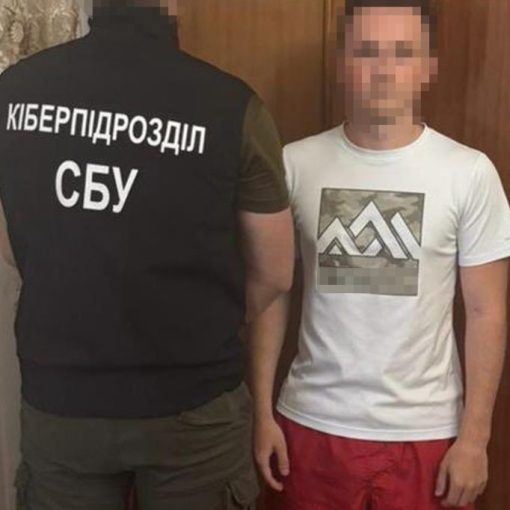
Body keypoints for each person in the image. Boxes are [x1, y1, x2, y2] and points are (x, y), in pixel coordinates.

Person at [0, 1, 294, 508]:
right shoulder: (231, 106)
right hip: (193, 405)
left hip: (62, 401)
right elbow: (275, 271)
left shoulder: (14, 92)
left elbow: (11, 244)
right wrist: (203, 323)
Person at [250, 1, 510, 509]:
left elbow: (487, 311)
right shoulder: (295, 164)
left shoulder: (469, 173)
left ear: (427, 67)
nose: (384, 69)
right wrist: (261, 412)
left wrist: (475, 438)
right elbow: (272, 291)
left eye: (402, 52)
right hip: (311, 425)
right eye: (367, 51)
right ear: (342, 63)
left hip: (426, 434)